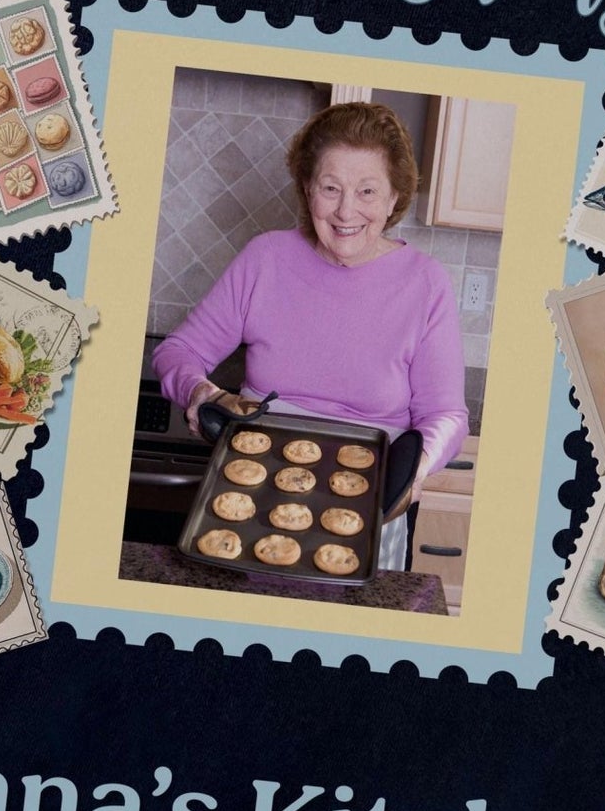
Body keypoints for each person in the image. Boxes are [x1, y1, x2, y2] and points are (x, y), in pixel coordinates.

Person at [152, 101, 469, 570]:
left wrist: (418, 465)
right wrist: (198, 390)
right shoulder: (266, 259)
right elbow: (178, 351)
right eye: (330, 188)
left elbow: (445, 415)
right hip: (250, 499)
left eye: (366, 191)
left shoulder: (426, 283)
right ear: (307, 189)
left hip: (370, 502)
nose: (346, 211)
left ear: (392, 197)